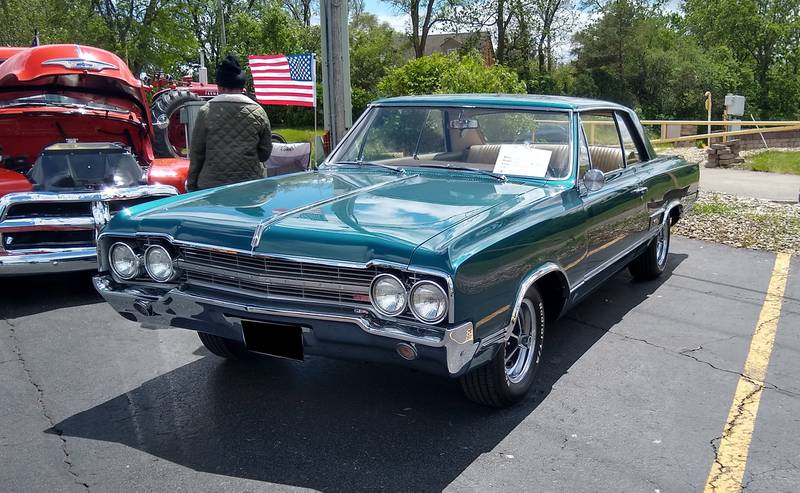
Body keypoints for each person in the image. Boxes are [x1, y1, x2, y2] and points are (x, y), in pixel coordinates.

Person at [187, 55, 272, 191]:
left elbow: (197, 154)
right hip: (250, 186)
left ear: (219, 87)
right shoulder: (258, 112)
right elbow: (265, 153)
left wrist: (191, 186)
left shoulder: (206, 111)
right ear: (242, 86)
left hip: (211, 189)